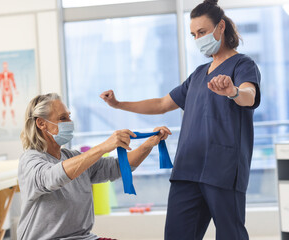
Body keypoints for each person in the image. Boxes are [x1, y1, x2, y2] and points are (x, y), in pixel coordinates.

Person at [100, 0, 260, 239]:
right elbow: (162, 104)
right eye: (194, 34)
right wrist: (118, 104)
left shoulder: (242, 64)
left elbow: (249, 96)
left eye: (203, 32)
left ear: (221, 27)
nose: (198, 39)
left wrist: (233, 91)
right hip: (187, 169)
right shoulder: (197, 75)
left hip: (223, 169)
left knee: (230, 235)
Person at [17, 93, 171, 240]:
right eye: (63, 118)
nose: (69, 122)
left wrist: (148, 144)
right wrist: (104, 147)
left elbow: (117, 167)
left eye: (69, 117)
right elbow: (51, 177)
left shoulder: (72, 157)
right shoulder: (30, 160)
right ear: (41, 123)